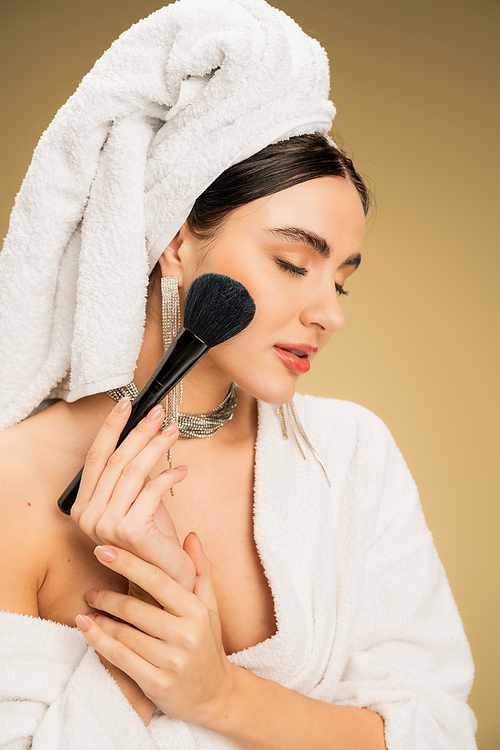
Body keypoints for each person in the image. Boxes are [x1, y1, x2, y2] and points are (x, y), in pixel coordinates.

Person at [0, 1, 476, 748]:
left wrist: (220, 696)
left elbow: (439, 731)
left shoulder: (352, 457)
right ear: (177, 240)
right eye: (293, 263)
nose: (330, 314)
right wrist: (140, 621)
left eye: (341, 280)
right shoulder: (15, 481)